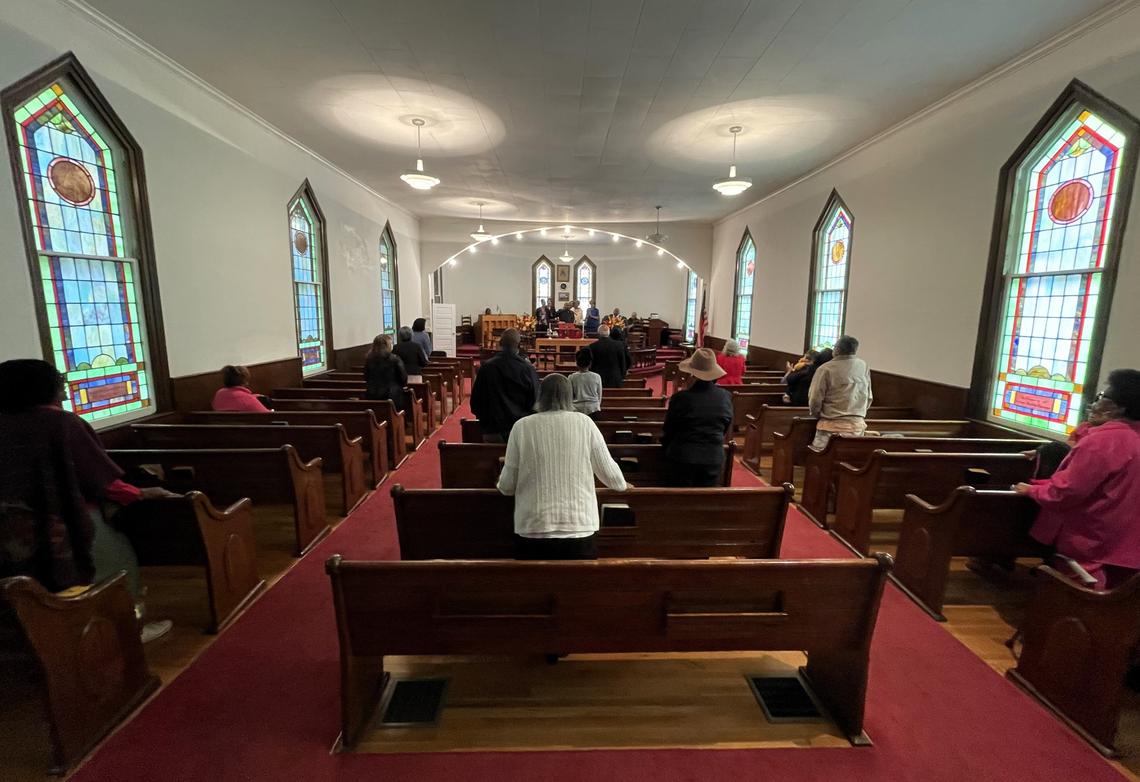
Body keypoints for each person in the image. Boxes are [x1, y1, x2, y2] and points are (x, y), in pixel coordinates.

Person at [0, 359, 175, 642]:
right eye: (61, 385)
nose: (65, 393)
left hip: (10, 528)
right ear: (45, 388)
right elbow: (99, 480)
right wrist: (141, 493)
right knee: (117, 566)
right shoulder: (61, 423)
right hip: (62, 520)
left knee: (24, 589)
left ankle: (42, 641)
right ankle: (126, 632)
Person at [1012, 369, 1140, 589]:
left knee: (1079, 603)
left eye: (1102, 397)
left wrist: (1032, 491)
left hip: (1096, 541)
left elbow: (1066, 492)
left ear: (1118, 407)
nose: (1096, 403)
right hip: (1129, 544)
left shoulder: (1102, 441)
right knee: (1119, 605)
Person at [497, 374, 628, 559]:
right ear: (570, 396)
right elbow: (610, 474)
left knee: (534, 587)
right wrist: (622, 485)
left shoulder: (521, 427)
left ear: (540, 396)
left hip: (534, 527)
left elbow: (507, 486)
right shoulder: (585, 423)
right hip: (579, 527)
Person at [661, 348, 733, 487]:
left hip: (682, 458)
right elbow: (725, 427)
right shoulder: (725, 397)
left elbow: (669, 430)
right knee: (704, 502)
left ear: (692, 374)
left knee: (679, 500)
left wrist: (666, 448)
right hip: (713, 458)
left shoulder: (680, 398)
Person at [470, 328, 540, 442]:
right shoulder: (527, 369)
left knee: (490, 459)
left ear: (500, 344)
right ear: (519, 345)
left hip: (492, 430)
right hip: (520, 431)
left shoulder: (487, 368)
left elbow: (475, 403)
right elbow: (535, 402)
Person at [807, 335, 872, 450]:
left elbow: (814, 399)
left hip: (830, 426)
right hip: (857, 426)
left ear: (837, 349)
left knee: (821, 460)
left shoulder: (825, 369)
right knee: (850, 458)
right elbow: (869, 397)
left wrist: (817, 414)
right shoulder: (863, 366)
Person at [362, 334, 410, 414]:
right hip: (392, 395)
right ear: (387, 346)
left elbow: (366, 377)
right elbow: (403, 378)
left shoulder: (369, 359)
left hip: (373, 394)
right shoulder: (395, 359)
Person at [570, 348, 602, 417]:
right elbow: (599, 396)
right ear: (590, 363)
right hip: (593, 409)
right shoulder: (596, 376)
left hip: (577, 409)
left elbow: (570, 395)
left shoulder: (572, 377)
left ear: (577, 363)